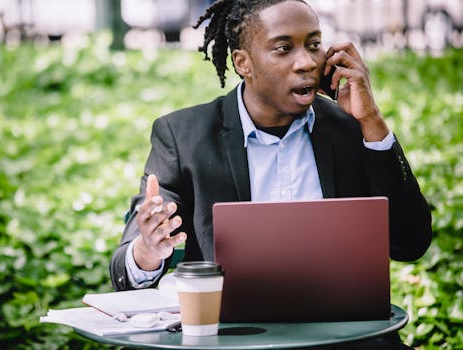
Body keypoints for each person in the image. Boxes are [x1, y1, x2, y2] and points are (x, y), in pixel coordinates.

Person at [110, 0, 432, 348]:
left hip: (346, 339)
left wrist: (372, 122)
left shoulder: (350, 127)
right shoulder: (183, 136)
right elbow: (126, 276)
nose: (307, 62)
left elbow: (411, 243)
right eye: (284, 48)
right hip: (234, 342)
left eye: (313, 45)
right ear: (243, 63)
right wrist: (148, 248)